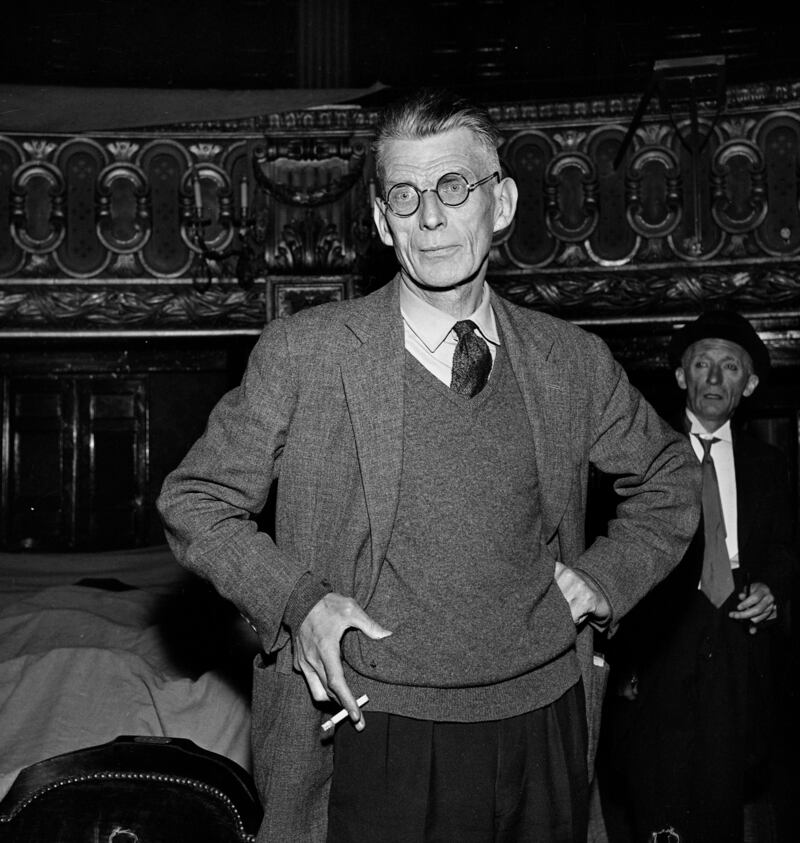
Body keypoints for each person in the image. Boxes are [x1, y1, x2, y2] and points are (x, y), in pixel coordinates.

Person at [157, 89, 700, 843]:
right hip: (375, 730)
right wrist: (299, 600)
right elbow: (196, 499)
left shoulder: (569, 360)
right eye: (405, 197)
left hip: (545, 718)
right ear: (382, 221)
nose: (430, 217)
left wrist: (608, 579)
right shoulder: (306, 353)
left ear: (500, 203)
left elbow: (672, 476)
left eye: (453, 187)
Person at [606, 309, 796, 842]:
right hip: (662, 633)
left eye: (730, 366)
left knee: (729, 785)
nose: (714, 378)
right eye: (702, 365)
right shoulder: (643, 455)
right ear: (680, 376)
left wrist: (772, 587)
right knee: (655, 787)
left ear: (750, 383)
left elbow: (782, 548)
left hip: (738, 635)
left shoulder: (768, 463)